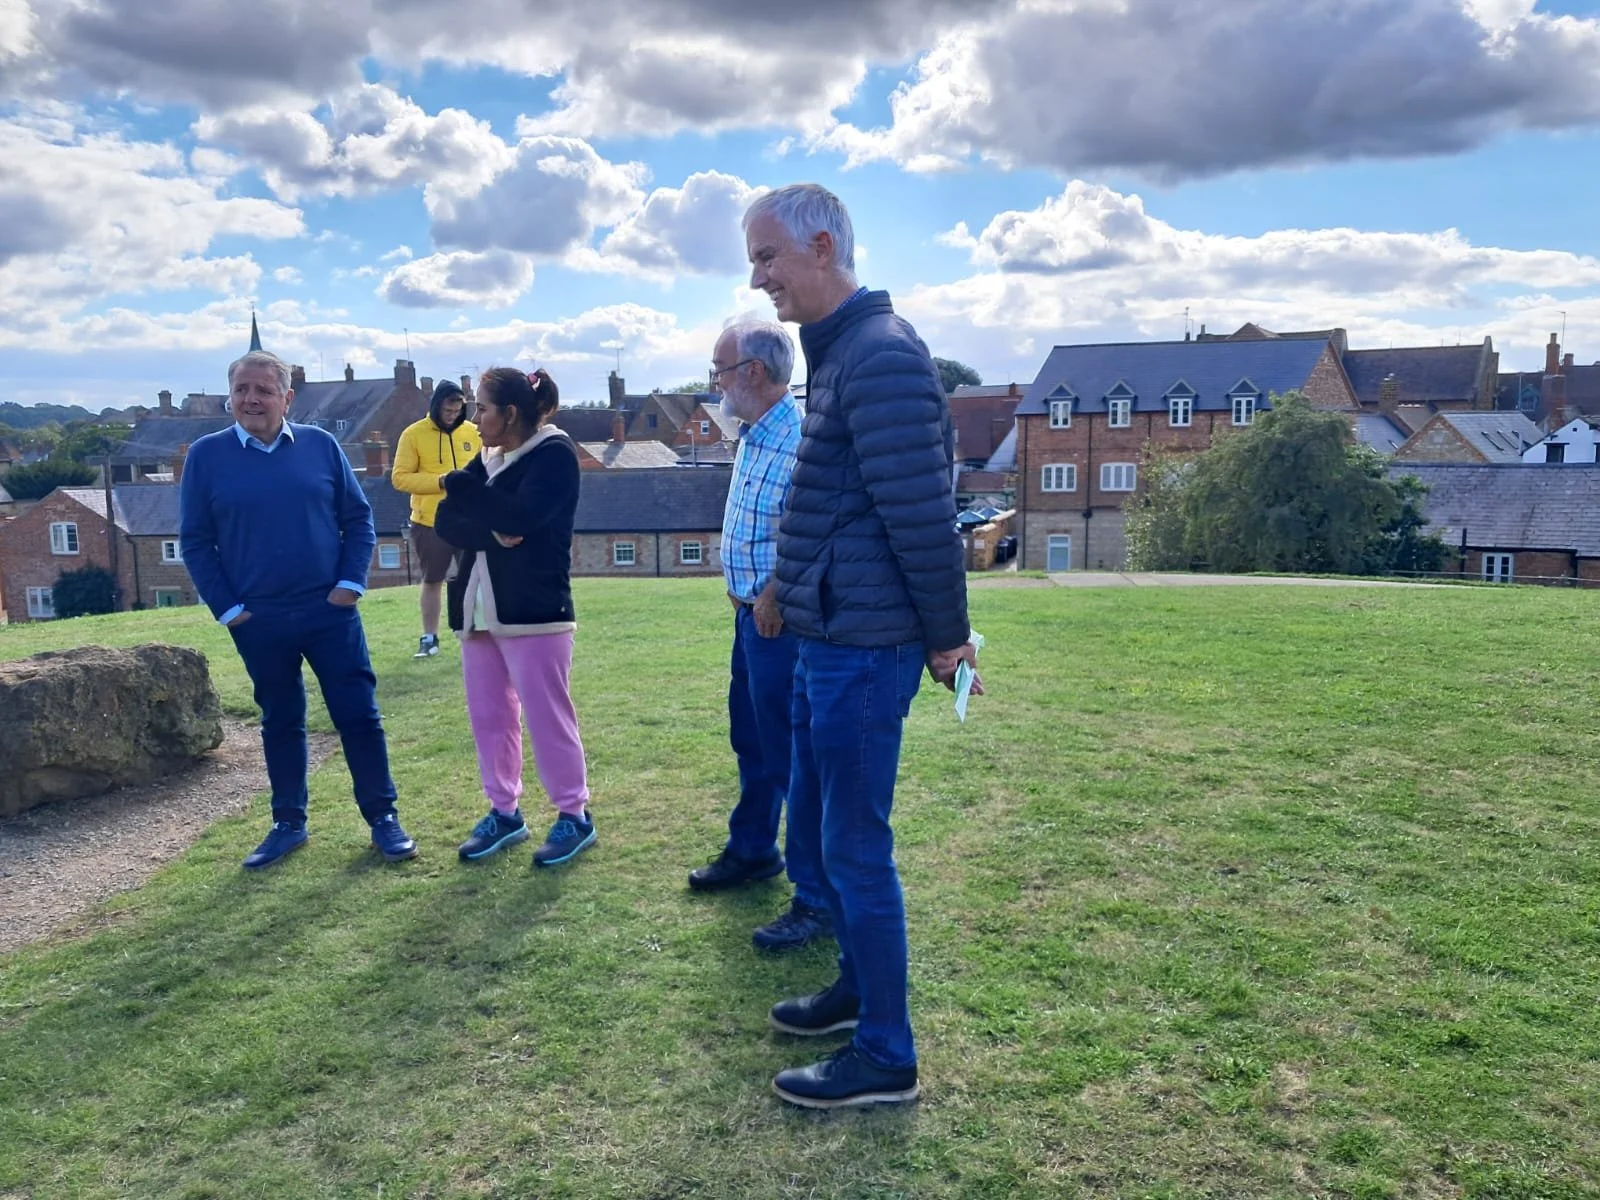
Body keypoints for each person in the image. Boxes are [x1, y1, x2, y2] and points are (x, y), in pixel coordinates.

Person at [743, 184, 982, 1109]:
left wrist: (950, 636)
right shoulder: (839, 354)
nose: (757, 276)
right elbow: (826, 495)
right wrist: (778, 587)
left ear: (822, 245)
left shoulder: (878, 357)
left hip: (866, 647)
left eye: (767, 257)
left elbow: (920, 515)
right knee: (823, 829)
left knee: (854, 843)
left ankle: (887, 1052)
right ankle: (856, 991)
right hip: (824, 634)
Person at [179, 349, 417, 869]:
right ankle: (288, 823)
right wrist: (229, 609)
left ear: (287, 397)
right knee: (281, 721)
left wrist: (350, 585)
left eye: (263, 390)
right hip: (257, 617)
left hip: (328, 611)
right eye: (242, 389)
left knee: (359, 716)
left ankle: (383, 819)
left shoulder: (320, 446)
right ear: (231, 395)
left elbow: (359, 520)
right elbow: (195, 541)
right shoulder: (206, 455)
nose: (251, 399)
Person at [686, 319, 831, 953]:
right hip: (749, 615)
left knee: (792, 758)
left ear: (753, 373)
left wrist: (771, 593)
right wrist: (741, 586)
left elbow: (815, 532)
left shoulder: (799, 436)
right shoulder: (752, 434)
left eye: (719, 370)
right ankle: (753, 849)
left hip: (782, 620)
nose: (714, 382)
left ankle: (815, 897)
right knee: (750, 737)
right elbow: (755, 521)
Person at [433, 368, 595, 868]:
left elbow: (521, 519)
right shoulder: (488, 457)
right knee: (490, 717)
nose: (472, 417)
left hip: (535, 610)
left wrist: (461, 485)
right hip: (478, 610)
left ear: (509, 413)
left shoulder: (555, 456)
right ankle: (505, 812)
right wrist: (486, 525)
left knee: (549, 717)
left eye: (481, 408)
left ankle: (574, 815)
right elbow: (446, 522)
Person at [392, 378, 479, 658]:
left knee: (477, 578)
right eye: (447, 411)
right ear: (436, 406)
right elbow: (400, 478)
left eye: (457, 411)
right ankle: (429, 639)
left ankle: (476, 632)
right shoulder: (413, 434)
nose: (452, 416)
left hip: (469, 521)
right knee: (432, 580)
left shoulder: (474, 433)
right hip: (429, 521)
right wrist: (441, 482)